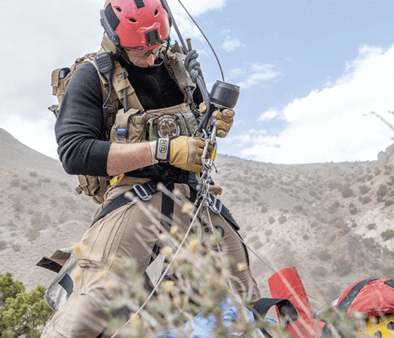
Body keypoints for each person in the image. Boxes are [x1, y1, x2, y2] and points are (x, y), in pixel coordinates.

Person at [41, 0, 260, 336]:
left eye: (157, 47)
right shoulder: (92, 77)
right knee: (99, 295)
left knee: (239, 288)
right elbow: (74, 152)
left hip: (195, 194)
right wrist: (163, 150)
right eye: (140, 51)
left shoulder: (180, 70)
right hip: (135, 194)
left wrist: (215, 122)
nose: (152, 57)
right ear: (114, 40)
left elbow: (199, 125)